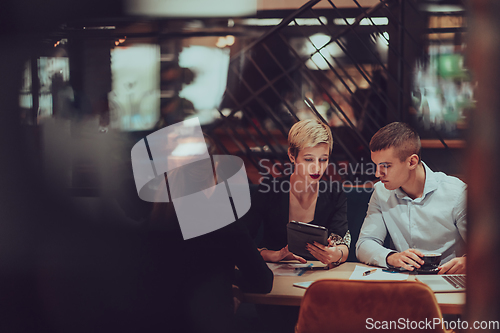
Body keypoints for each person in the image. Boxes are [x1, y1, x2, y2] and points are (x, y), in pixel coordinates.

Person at [356, 122, 466, 274]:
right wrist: (391, 257)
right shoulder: (381, 192)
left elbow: (488, 248)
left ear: (412, 162)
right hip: (403, 281)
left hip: (446, 278)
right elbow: (364, 244)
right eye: (376, 165)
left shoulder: (456, 193)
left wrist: (467, 261)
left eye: (386, 166)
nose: (377, 174)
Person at [247, 118, 350, 267]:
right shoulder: (269, 190)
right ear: (292, 156)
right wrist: (275, 255)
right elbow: (242, 243)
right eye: (309, 159)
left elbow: (342, 244)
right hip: (273, 275)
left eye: (323, 159)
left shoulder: (335, 193)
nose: (317, 168)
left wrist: (336, 254)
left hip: (317, 277)